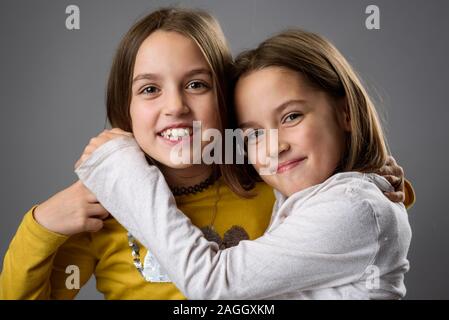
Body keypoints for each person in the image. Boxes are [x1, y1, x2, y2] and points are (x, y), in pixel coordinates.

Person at [0, 8, 410, 300]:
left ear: (225, 103)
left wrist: (373, 173)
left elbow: (345, 214)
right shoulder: (99, 210)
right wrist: (41, 225)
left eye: (197, 85)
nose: (175, 106)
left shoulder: (270, 182)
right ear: (125, 110)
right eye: (149, 89)